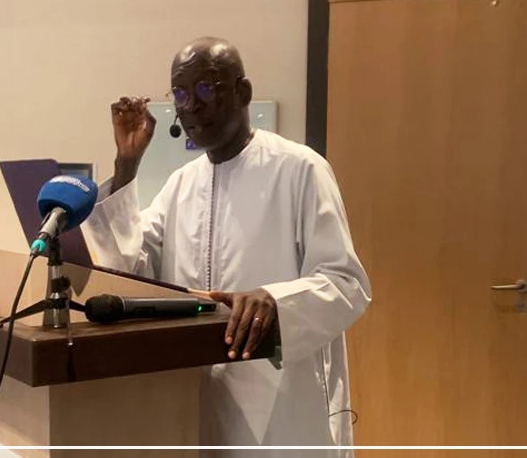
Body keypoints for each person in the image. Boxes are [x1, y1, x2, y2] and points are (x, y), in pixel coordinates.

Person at [83, 37, 371, 456]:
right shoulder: (181, 185)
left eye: (206, 88)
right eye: (181, 93)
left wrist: (275, 301)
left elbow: (347, 284)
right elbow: (129, 270)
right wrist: (127, 163)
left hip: (282, 405)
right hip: (198, 398)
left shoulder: (299, 170)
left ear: (243, 92)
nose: (192, 106)